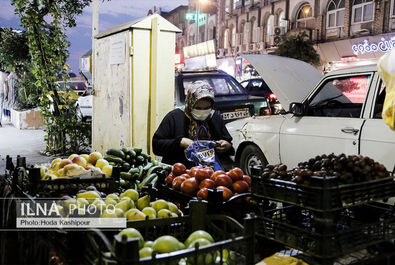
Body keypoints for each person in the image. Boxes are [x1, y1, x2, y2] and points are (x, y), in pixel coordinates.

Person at [152, 81, 233, 168]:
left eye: (206, 108)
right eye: (197, 108)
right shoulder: (174, 117)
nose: (202, 111)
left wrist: (226, 146)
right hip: (181, 172)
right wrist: (180, 142)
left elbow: (228, 144)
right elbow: (157, 146)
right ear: (190, 103)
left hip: (209, 173)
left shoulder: (215, 118)